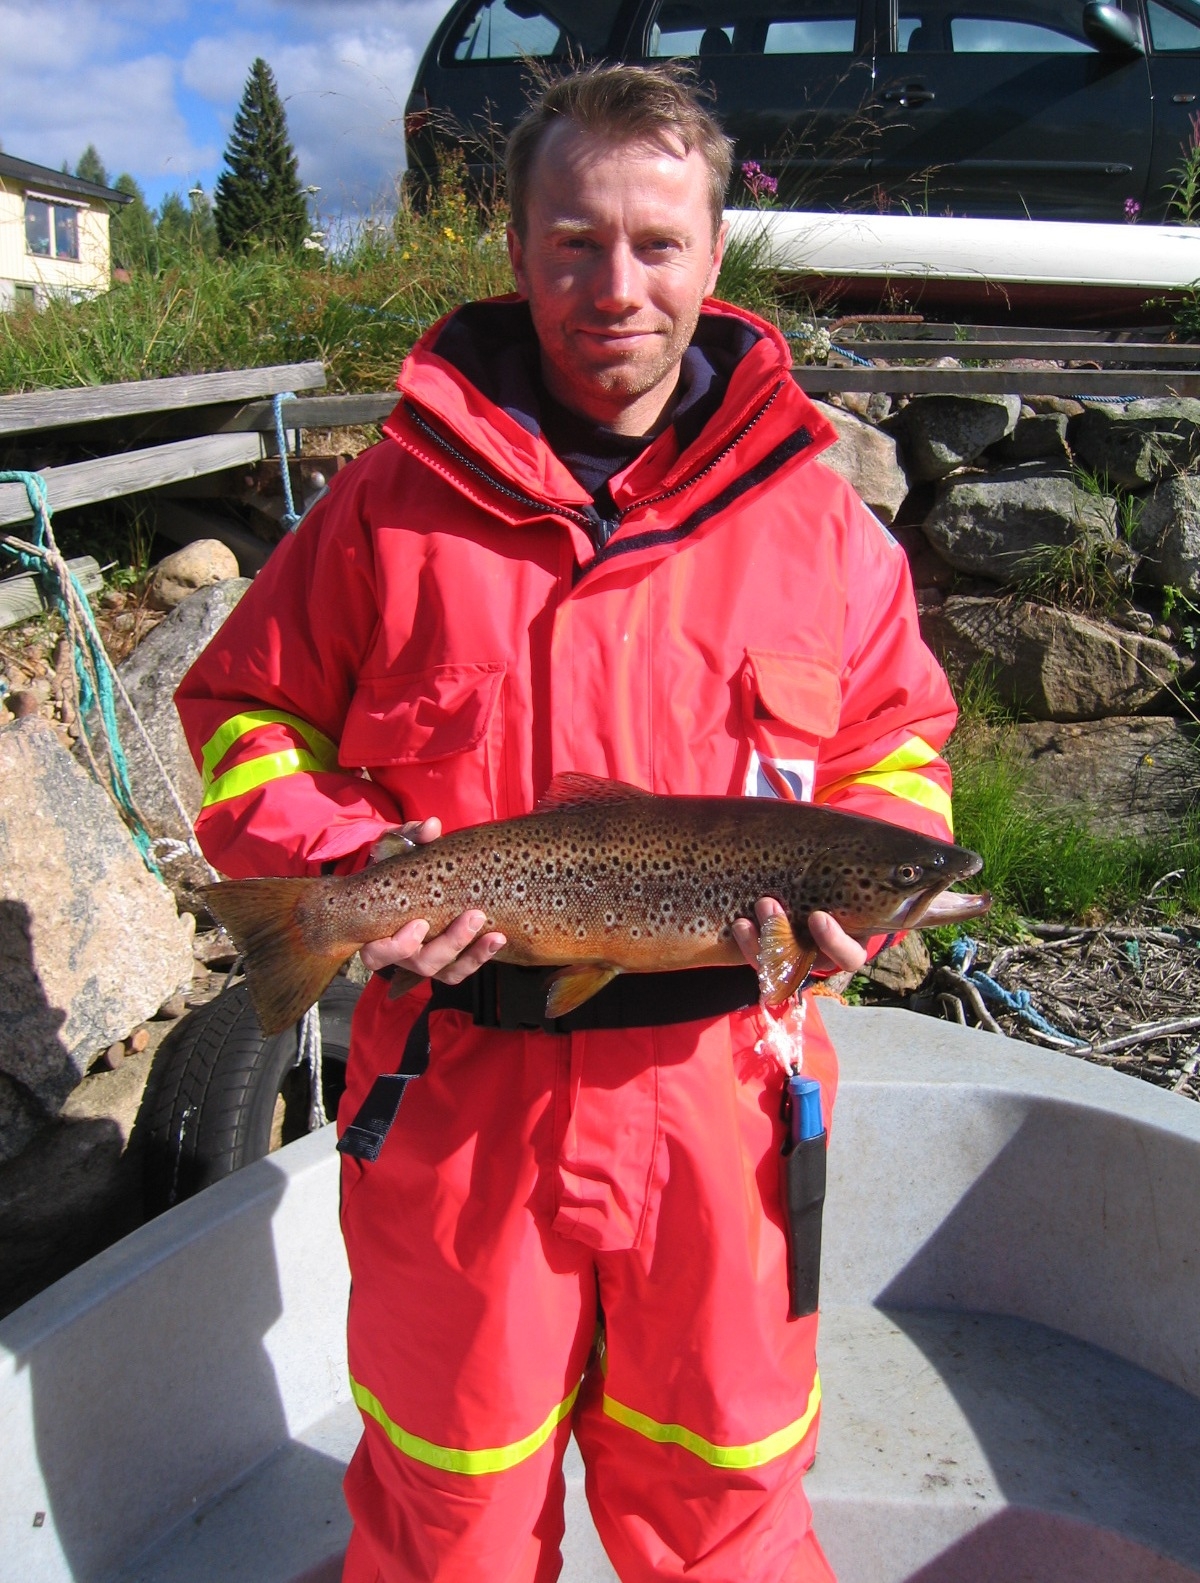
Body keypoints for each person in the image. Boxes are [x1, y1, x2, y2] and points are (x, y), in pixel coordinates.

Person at [176, 63, 957, 1583]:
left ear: (716, 253)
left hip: (725, 1105)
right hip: (458, 1101)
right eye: (575, 242)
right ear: (521, 250)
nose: (617, 285)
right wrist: (351, 876)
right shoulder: (388, 504)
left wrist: (861, 886)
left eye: (657, 244)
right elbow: (242, 718)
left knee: (727, 1511)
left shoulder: (821, 523)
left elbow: (900, 741)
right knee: (448, 1521)